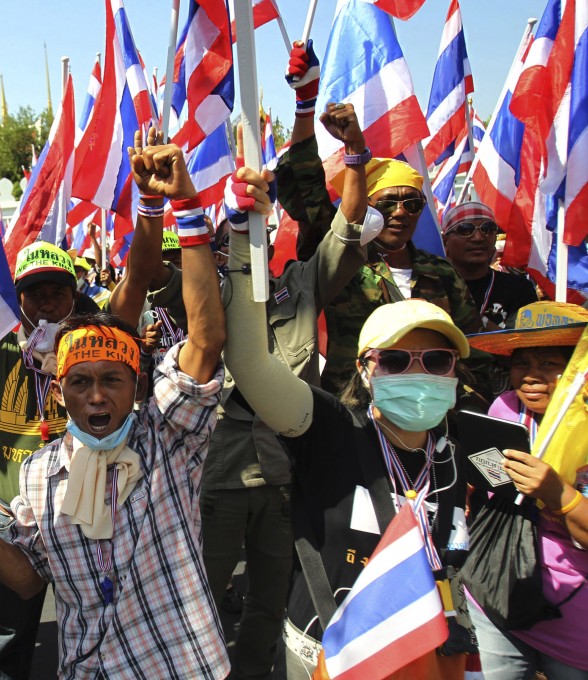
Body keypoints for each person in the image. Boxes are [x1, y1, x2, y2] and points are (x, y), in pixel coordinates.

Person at [0, 134, 238, 678]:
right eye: (80, 382)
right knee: (1, 647)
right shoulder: (36, 475)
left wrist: (180, 206)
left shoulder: (167, 437)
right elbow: (30, 580)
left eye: (112, 380)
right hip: (87, 667)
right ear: (59, 392)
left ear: (137, 384)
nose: (97, 396)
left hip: (179, 666)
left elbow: (204, 337)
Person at [226, 191, 474, 678]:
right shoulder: (332, 430)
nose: (418, 372)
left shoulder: (467, 447)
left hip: (431, 652)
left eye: (438, 361)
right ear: (365, 369)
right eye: (398, 360)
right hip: (333, 651)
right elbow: (252, 365)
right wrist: (242, 237)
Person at [199, 108, 369, 679]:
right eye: (235, 234)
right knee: (198, 601)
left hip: (288, 477)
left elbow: (345, 236)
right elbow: (166, 285)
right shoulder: (212, 297)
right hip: (221, 476)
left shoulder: (300, 282)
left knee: (271, 607)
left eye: (256, 231)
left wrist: (355, 158)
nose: (247, 242)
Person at [276, 40, 488, 401]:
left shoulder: (441, 272)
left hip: (429, 412)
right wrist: (305, 104)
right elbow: (304, 184)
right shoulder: (342, 260)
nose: (401, 213)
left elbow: (473, 343)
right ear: (367, 206)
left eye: (413, 203)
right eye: (389, 202)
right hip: (356, 411)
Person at [0, 239, 100, 679]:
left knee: (94, 631)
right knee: (4, 638)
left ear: (73, 294)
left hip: (82, 515)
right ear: (17, 298)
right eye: (34, 292)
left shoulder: (93, 346)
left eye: (57, 291)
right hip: (11, 521)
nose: (46, 302)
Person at [465, 301, 588, 679]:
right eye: (522, 363)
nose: (531, 378)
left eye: (550, 364)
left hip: (575, 613)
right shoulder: (504, 410)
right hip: (495, 591)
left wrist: (557, 492)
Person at [441, 201, 538, 331]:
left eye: (487, 229)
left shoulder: (519, 289)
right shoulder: (432, 287)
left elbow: (527, 342)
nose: (478, 237)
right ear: (445, 241)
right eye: (465, 230)